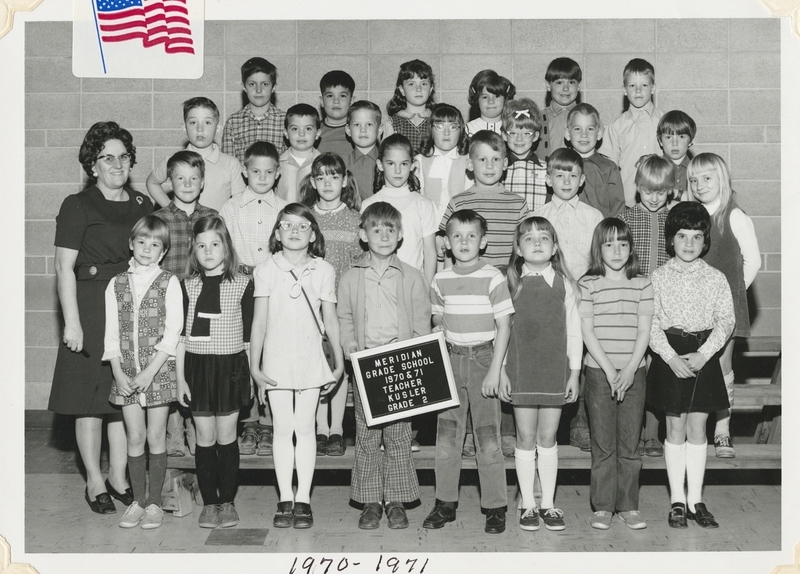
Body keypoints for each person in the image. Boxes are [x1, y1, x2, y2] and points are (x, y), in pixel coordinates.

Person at [49, 121, 151, 515]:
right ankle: (94, 480)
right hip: (91, 305)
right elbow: (63, 267)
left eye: (124, 156)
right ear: (93, 164)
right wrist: (71, 322)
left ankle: (120, 476)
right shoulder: (78, 205)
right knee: (90, 400)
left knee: (122, 397)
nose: (117, 164)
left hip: (131, 305)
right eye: (108, 157)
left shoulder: (142, 204)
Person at [249, 204, 345, 530]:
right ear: (277, 233)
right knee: (281, 430)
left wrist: (339, 361)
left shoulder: (323, 270)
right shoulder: (265, 269)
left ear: (313, 234)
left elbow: (330, 319)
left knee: (305, 429)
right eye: (287, 225)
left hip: (309, 358)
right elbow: (259, 323)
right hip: (275, 360)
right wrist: (255, 367)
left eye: (302, 226)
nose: (294, 231)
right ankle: (284, 498)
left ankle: (303, 498)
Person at [338, 202, 431, 530]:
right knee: (366, 436)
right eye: (375, 229)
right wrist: (349, 343)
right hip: (365, 367)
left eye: (390, 229)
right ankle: (370, 501)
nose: (383, 235)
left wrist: (414, 357)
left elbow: (422, 323)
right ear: (363, 235)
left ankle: (395, 500)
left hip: (399, 367)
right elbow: (344, 317)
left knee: (399, 436)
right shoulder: (351, 276)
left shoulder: (412, 277)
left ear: (401, 235)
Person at [440, 129, 529, 458]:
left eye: (495, 160)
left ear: (505, 164)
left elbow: (523, 251)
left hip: (505, 289)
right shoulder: (459, 202)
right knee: (467, 361)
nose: (489, 166)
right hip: (466, 294)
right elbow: (445, 248)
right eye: (482, 159)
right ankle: (464, 434)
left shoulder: (518, 204)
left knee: (501, 359)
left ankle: (503, 429)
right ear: (469, 163)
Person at [423, 209, 513, 534]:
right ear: (446, 243)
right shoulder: (440, 279)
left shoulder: (493, 277)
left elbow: (504, 326)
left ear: (483, 241)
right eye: (456, 236)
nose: (463, 242)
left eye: (471, 236)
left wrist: (496, 371)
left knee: (488, 437)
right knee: (447, 437)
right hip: (450, 360)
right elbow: (436, 320)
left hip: (483, 361)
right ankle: (445, 503)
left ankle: (495, 506)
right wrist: (435, 332)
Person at [646, 202, 734, 529]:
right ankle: (677, 502)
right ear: (671, 239)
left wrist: (704, 354)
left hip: (702, 354)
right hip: (671, 355)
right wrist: (669, 357)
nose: (689, 244)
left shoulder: (715, 278)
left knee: (698, 428)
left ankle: (696, 499)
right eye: (682, 236)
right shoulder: (658, 276)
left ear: (705, 241)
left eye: (696, 237)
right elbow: (651, 323)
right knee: (675, 428)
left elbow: (726, 321)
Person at [104, 215, 183, 529]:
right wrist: (118, 373)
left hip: (158, 372)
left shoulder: (168, 282)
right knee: (134, 437)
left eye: (155, 245)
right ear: (131, 244)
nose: (147, 250)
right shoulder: (116, 283)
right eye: (142, 243)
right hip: (125, 373)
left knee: (154, 437)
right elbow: (111, 334)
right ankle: (137, 501)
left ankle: (154, 505)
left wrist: (150, 372)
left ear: (163, 252)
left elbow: (173, 331)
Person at [176, 215, 255, 529]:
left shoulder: (243, 284)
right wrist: (181, 378)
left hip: (230, 369)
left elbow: (249, 340)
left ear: (226, 247)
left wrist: (249, 376)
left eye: (214, 244)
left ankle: (228, 501)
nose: (208, 251)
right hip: (197, 368)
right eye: (201, 246)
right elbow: (181, 337)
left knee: (227, 437)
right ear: (194, 251)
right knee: (204, 438)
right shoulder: (187, 286)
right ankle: (209, 503)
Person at [503, 216, 581, 532]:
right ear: (518, 249)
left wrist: (574, 373)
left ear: (555, 247)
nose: (537, 243)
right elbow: (501, 334)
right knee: (525, 438)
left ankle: (547, 503)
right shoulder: (509, 285)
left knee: (547, 438)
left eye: (544, 237)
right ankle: (528, 505)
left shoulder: (566, 285)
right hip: (520, 371)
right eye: (529, 238)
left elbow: (575, 332)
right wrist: (503, 372)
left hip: (554, 372)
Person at [579, 218, 653, 531]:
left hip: (634, 373)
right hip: (599, 373)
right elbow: (587, 330)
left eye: (623, 243)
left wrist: (631, 368)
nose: (616, 250)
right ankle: (603, 506)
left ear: (631, 247)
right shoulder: (588, 283)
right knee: (604, 444)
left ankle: (628, 506)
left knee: (629, 444)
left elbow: (644, 330)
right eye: (608, 244)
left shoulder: (643, 283)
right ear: (598, 248)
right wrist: (610, 370)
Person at [687, 153, 760, 459]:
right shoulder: (691, 214)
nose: (700, 185)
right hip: (691, 307)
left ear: (722, 180)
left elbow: (753, 261)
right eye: (694, 180)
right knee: (695, 365)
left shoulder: (734, 215)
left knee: (720, 365)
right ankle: (696, 433)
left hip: (724, 308)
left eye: (707, 178)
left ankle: (722, 430)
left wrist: (729, 296)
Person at [533, 148, 603, 453]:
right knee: (550, 360)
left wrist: (585, 290)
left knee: (583, 361)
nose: (565, 180)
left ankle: (580, 424)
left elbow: (599, 260)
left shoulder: (593, 216)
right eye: (559, 175)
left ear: (582, 179)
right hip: (548, 301)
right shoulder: (538, 216)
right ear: (548, 179)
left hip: (583, 300)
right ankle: (550, 430)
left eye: (572, 175)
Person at [220, 141, 287, 457]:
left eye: (269, 171)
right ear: (244, 171)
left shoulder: (283, 209)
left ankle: (271, 421)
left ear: (278, 173)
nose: (262, 177)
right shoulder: (230, 207)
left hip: (274, 286)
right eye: (255, 171)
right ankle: (249, 421)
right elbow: (224, 250)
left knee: (272, 350)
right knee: (244, 351)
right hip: (240, 285)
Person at [298, 153, 363, 456]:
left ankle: (336, 428)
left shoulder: (354, 218)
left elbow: (360, 262)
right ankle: (319, 429)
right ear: (312, 182)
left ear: (345, 180)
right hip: (310, 305)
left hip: (342, 304)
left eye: (334, 176)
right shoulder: (305, 218)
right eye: (321, 177)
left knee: (339, 364)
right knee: (314, 363)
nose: (327, 182)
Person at [154, 150, 218, 458]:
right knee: (170, 366)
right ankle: (174, 430)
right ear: (169, 182)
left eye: (193, 178)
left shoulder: (211, 217)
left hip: (201, 300)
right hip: (168, 303)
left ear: (203, 182)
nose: (187, 183)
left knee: (195, 366)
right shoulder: (159, 219)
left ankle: (197, 427)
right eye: (179, 178)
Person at [618, 154, 674, 458]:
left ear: (671, 191)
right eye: (649, 191)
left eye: (661, 192)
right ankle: (632, 433)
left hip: (665, 305)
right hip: (634, 301)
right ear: (638, 187)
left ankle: (652, 433)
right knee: (635, 368)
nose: (655, 198)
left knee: (657, 368)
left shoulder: (673, 219)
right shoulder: (627, 217)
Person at [362, 134, 438, 287]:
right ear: (380, 165)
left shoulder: (424, 204)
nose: (398, 170)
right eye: (391, 163)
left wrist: (426, 289)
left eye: (404, 164)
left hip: (413, 286)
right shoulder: (369, 204)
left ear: (412, 165)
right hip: (378, 286)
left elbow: (430, 253)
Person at [146, 97, 245, 211]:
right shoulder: (173, 161)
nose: (200, 128)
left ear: (218, 129)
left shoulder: (231, 164)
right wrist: (171, 210)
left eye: (207, 122)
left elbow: (240, 202)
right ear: (184, 128)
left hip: (216, 228)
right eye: (193, 122)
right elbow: (152, 183)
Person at [599, 58, 664, 207]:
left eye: (644, 85)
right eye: (632, 85)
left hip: (661, 199)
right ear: (624, 89)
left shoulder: (665, 122)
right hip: (628, 202)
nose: (638, 91)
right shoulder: (615, 127)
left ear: (653, 88)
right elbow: (610, 171)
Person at [564, 103, 626, 218]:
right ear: (568, 133)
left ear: (599, 133)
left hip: (601, 232)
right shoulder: (560, 165)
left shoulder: (609, 168)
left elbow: (618, 208)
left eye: (590, 129)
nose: (584, 135)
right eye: (577, 129)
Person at [222, 57, 286, 163]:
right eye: (252, 84)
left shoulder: (285, 120)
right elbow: (227, 165)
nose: (258, 90)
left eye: (265, 84)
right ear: (244, 87)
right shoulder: (233, 122)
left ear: (273, 87)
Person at [415, 103, 471, 222]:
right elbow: (417, 199)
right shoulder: (420, 161)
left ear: (461, 130)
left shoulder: (468, 161)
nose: (446, 132)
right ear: (431, 129)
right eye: (439, 126)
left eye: (453, 127)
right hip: (428, 224)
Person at [501, 98, 548, 212]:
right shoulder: (499, 168)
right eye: (513, 133)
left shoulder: (546, 169)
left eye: (526, 133)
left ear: (536, 136)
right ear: (504, 135)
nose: (519, 138)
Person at [383, 59, 436, 156]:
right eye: (411, 84)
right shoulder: (391, 124)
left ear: (431, 89)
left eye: (424, 84)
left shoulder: (437, 121)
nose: (418, 89)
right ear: (402, 90)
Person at [277, 104, 322, 204]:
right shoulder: (277, 164)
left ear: (318, 133)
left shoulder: (324, 165)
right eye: (294, 129)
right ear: (286, 133)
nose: (301, 134)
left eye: (308, 129)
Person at [343, 100, 384, 201]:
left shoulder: (387, 162)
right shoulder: (341, 163)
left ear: (379, 129)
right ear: (348, 130)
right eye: (357, 125)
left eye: (369, 124)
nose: (363, 130)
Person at [541, 57, 583, 155]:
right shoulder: (537, 118)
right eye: (559, 82)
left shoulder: (589, 117)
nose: (566, 88)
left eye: (571, 82)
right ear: (548, 85)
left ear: (579, 86)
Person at [657, 110, 697, 201]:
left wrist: (674, 193)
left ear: (691, 141)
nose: (674, 143)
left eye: (681, 137)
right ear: (660, 141)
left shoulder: (697, 169)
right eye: (668, 137)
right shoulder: (654, 168)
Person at [465, 69, 516, 137]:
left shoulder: (514, 129)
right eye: (485, 97)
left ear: (505, 99)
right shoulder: (468, 130)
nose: (491, 101)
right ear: (477, 99)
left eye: (497, 96)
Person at [318, 70, 355, 157]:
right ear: (322, 101)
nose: (336, 101)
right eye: (330, 96)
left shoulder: (359, 131)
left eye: (342, 96)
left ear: (352, 101)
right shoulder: (313, 132)